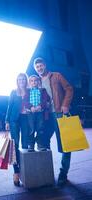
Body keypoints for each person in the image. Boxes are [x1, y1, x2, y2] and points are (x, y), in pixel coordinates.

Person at [33, 57, 73, 186]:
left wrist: (65, 104)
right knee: (42, 141)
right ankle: (47, 172)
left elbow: (69, 89)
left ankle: (63, 173)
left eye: (41, 65)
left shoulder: (56, 75)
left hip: (58, 114)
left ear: (44, 65)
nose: (39, 68)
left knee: (65, 144)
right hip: (45, 116)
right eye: (37, 67)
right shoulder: (37, 82)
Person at [5, 73, 29, 186]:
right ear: (17, 81)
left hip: (26, 120)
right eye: (19, 79)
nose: (22, 81)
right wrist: (7, 121)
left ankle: (25, 171)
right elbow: (9, 106)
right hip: (14, 121)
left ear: (26, 80)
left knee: (25, 145)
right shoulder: (13, 92)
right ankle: (16, 172)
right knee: (14, 146)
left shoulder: (29, 92)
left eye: (23, 79)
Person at [27, 75, 50, 151]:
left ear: (38, 82)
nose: (34, 82)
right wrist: (31, 107)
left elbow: (46, 99)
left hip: (40, 113)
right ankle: (31, 144)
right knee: (31, 129)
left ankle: (40, 144)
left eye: (35, 80)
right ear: (29, 82)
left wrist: (40, 106)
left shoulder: (42, 90)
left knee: (40, 128)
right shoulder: (27, 91)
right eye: (32, 81)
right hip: (31, 113)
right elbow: (25, 101)